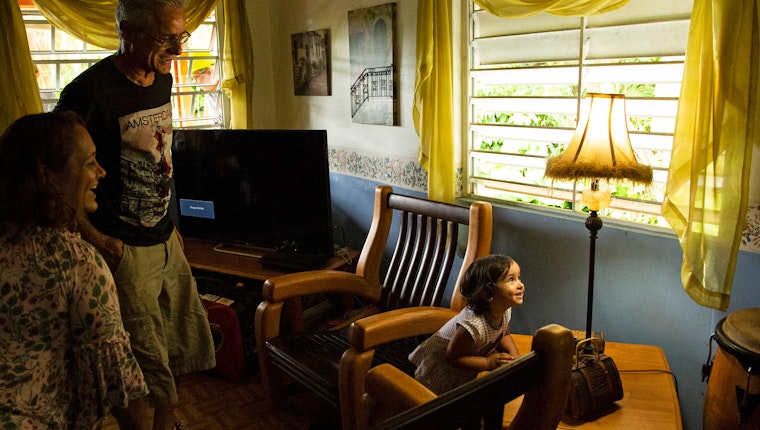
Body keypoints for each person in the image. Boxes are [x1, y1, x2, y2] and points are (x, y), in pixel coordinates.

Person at [55, 1, 216, 429]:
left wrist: (172, 225)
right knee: (140, 357)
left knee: (176, 341)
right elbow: (60, 182)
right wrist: (99, 241)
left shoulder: (159, 79)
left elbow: (159, 156)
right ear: (127, 31)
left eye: (182, 37)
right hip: (122, 250)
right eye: (167, 38)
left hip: (165, 240)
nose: (178, 50)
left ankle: (168, 424)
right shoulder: (87, 95)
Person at [0, 111, 149, 429]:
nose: (101, 172)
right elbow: (119, 385)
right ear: (46, 176)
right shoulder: (77, 264)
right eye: (89, 163)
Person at [408, 254, 525, 395]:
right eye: (511, 280)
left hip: (467, 364)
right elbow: (453, 357)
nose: (520, 285)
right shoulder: (473, 325)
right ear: (487, 293)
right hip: (442, 369)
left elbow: (503, 334)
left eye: (519, 277)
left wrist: (515, 356)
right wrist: (488, 363)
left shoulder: (505, 311)